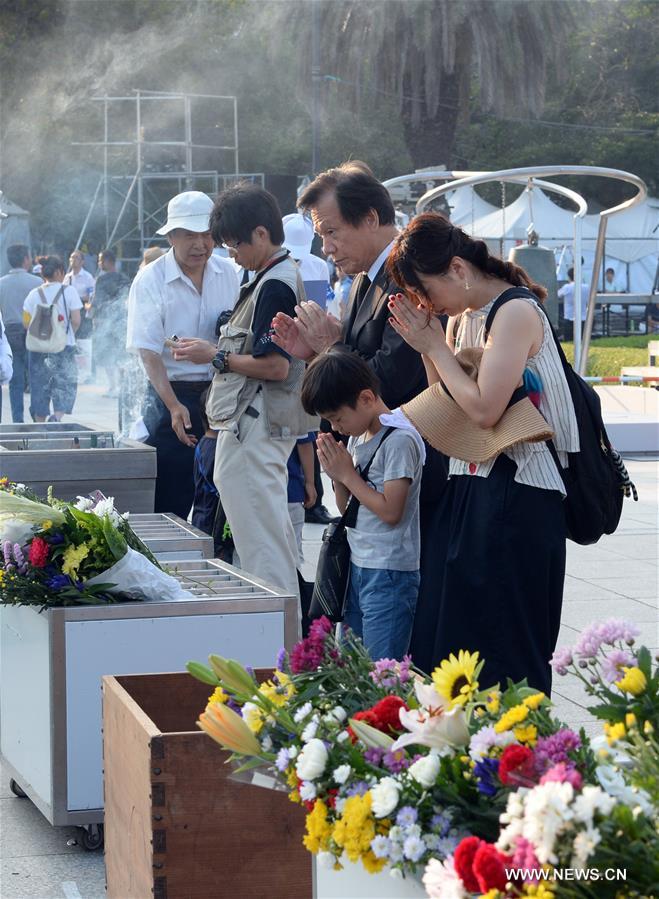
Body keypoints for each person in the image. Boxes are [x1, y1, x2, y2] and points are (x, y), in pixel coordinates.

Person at [386, 212, 579, 693]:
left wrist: (435, 345)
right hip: (471, 487)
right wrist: (429, 346)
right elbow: (447, 406)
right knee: (454, 646)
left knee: (509, 653)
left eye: (428, 291)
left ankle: (522, 759)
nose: (429, 303)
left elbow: (487, 410)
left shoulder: (514, 312)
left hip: (523, 494)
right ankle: (465, 759)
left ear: (458, 268)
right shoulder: (463, 318)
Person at [271, 160, 448, 662]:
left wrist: (330, 349)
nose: (325, 247)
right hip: (376, 466)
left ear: (371, 218)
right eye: (320, 235)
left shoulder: (408, 277)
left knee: (402, 639)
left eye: (331, 232)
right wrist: (315, 354)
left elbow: (389, 381)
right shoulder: (367, 280)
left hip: (415, 471)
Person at [172, 183, 314, 601]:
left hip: (255, 428)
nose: (230, 254)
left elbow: (276, 365)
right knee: (270, 537)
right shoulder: (272, 277)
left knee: (261, 549)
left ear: (260, 234)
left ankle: (278, 646)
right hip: (256, 426)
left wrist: (214, 356)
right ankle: (291, 637)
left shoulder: (275, 285)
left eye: (234, 244)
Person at [301, 349, 423, 661]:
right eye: (329, 421)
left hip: (389, 572)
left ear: (367, 398)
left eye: (338, 418)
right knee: (353, 666)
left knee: (382, 669)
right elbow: (348, 510)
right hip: (358, 563)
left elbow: (391, 512)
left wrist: (347, 474)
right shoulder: (358, 435)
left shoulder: (399, 440)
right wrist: (337, 476)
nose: (336, 428)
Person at [126, 191, 239, 518]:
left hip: (220, 392)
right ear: (172, 236)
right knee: (171, 494)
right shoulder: (151, 279)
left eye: (207, 235)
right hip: (169, 395)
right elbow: (147, 350)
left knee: (219, 495)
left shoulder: (229, 272)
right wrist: (173, 406)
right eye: (189, 235)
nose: (200, 245)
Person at [23, 256, 82, 422]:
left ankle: (40, 420)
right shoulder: (69, 291)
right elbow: (76, 320)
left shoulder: (34, 294)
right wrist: (67, 333)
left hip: (38, 349)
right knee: (64, 383)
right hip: (64, 346)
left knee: (39, 385)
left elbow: (26, 322)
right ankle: (57, 417)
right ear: (58, 272)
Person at [0, 244, 41, 421]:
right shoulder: (37, 282)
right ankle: (37, 413)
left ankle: (17, 418)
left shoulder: (1, 283)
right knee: (35, 376)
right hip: (34, 331)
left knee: (15, 380)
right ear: (25, 259)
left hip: (10, 333)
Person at [92, 249, 130, 397]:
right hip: (121, 321)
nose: (99, 263)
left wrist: (96, 318)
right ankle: (121, 386)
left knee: (108, 354)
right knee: (120, 354)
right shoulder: (124, 278)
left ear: (109, 261)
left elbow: (97, 301)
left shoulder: (101, 280)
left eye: (101, 260)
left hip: (106, 322)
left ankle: (113, 386)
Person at [64, 250, 95, 383]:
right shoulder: (67, 277)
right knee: (71, 341)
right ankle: (72, 372)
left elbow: (91, 296)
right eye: (71, 257)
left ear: (82, 261)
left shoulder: (88, 277)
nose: (73, 260)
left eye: (76, 258)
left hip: (82, 310)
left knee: (84, 343)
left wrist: (78, 298)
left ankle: (88, 373)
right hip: (68, 312)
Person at [287, 434, 317, 564]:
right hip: (290, 489)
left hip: (254, 490)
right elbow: (304, 442)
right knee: (292, 552)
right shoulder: (293, 412)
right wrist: (309, 482)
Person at [557, 267, 588, 342]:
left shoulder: (567, 287)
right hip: (583, 318)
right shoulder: (586, 287)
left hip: (569, 318)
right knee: (582, 340)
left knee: (569, 340)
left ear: (569, 277)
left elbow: (558, 295)